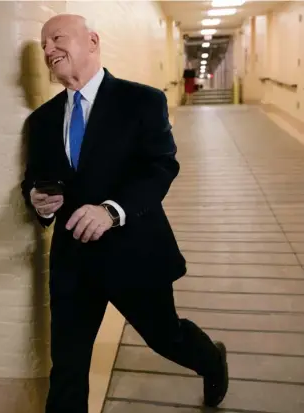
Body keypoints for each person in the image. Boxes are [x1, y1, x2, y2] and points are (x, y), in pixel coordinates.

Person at [20, 14, 228, 413]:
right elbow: (35, 179)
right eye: (43, 44)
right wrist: (36, 199)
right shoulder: (42, 120)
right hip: (73, 261)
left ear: (93, 41)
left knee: (166, 337)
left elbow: (160, 167)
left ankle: (209, 358)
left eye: (56, 38)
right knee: (68, 365)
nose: (47, 50)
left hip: (134, 251)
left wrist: (111, 211)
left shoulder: (142, 100)